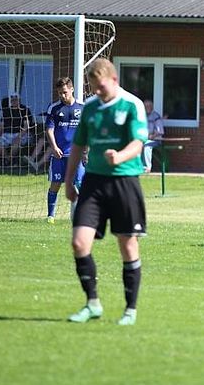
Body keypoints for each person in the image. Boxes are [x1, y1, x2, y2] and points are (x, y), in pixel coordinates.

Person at [64, 59, 149, 326]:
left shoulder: (131, 104)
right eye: (94, 88)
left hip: (125, 182)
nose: (97, 92)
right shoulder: (90, 107)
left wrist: (120, 156)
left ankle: (130, 311)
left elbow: (138, 143)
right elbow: (78, 145)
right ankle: (92, 304)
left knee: (128, 245)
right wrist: (69, 180)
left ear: (114, 80)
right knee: (79, 243)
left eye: (101, 87)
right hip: (94, 182)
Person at [41, 77, 84, 223]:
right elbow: (49, 129)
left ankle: (81, 216)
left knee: (80, 185)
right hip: (59, 154)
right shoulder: (54, 108)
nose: (62, 95)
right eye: (59, 93)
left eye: (64, 92)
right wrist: (54, 147)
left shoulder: (82, 107)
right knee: (56, 184)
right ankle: (50, 216)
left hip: (77, 155)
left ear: (72, 89)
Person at [0, 92, 34, 165]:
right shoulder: (7, 111)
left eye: (15, 99)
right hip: (8, 134)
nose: (14, 101)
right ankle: (9, 160)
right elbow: (1, 125)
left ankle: (7, 162)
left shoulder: (25, 110)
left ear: (19, 100)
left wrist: (19, 136)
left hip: (22, 134)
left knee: (15, 144)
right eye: (12, 100)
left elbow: (26, 126)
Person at [142, 99, 164, 173]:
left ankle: (146, 168)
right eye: (145, 106)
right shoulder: (141, 116)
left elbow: (160, 131)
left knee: (146, 145)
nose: (147, 108)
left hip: (155, 140)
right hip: (143, 138)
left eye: (148, 106)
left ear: (152, 107)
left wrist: (152, 136)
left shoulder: (156, 116)